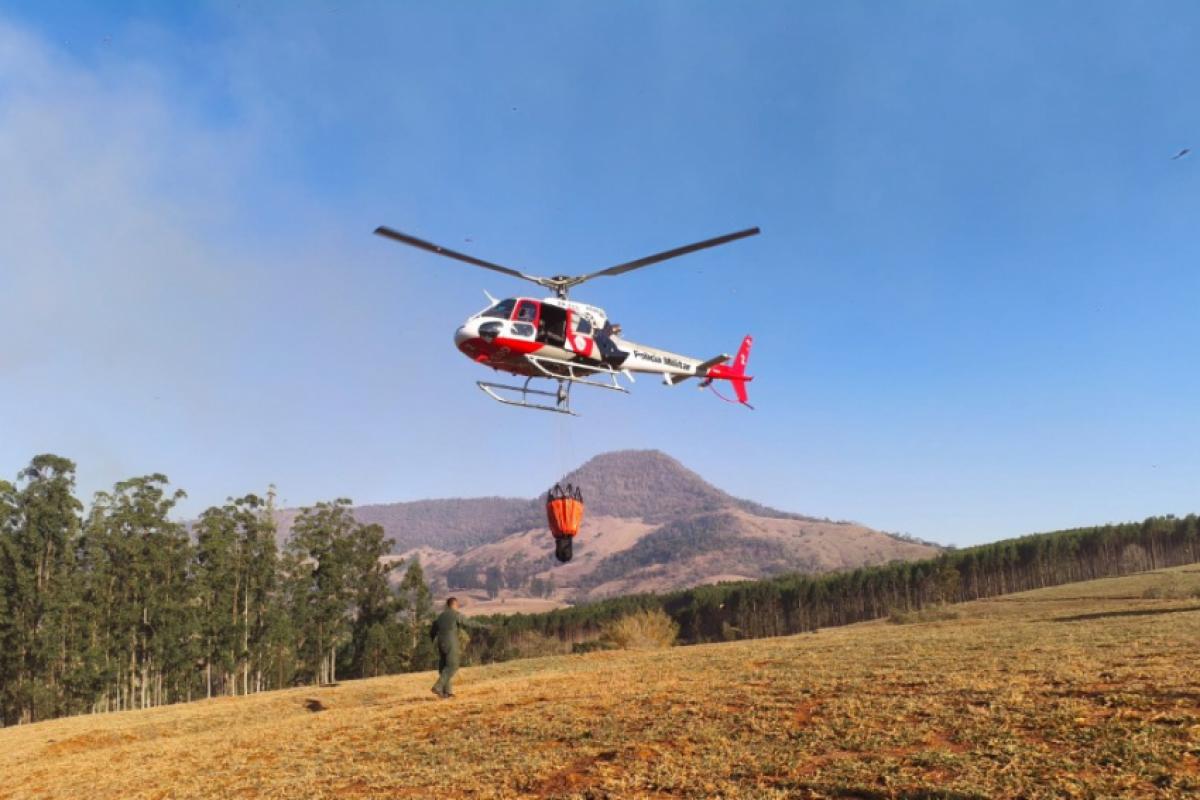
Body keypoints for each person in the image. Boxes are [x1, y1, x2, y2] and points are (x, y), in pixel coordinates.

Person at [429, 597, 488, 699]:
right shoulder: (455, 615)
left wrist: (432, 640)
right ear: (455, 604)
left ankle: (447, 693)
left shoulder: (440, 616)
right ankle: (438, 686)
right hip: (451, 642)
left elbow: (432, 631)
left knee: (444, 667)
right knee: (453, 665)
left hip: (440, 643)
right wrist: (483, 626)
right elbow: (469, 623)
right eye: (458, 605)